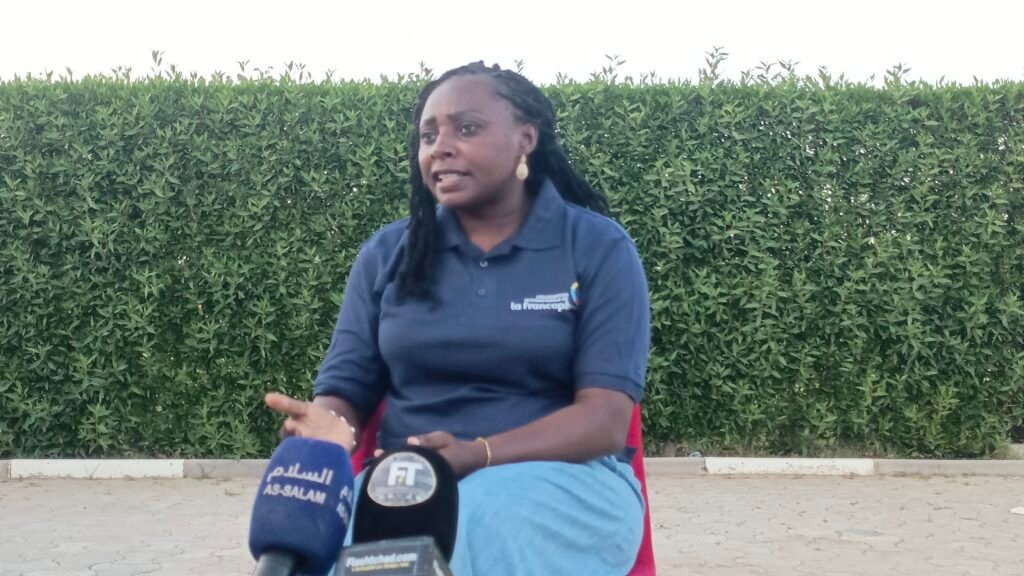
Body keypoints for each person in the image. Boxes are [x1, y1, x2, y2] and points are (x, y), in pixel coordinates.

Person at [266, 61, 650, 575]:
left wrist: (477, 454)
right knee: (322, 546)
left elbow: (604, 421)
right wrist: (331, 428)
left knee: (471, 521)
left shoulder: (596, 247)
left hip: (567, 481)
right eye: (428, 136)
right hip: (405, 483)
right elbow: (347, 390)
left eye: (466, 128)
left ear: (526, 139)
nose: (439, 147)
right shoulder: (388, 254)